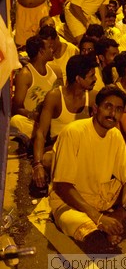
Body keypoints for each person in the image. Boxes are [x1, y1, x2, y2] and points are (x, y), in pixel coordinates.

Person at [49, 85, 126, 246]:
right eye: (108, 107)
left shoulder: (114, 134)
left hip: (102, 194)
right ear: (95, 109)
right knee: (89, 234)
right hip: (71, 201)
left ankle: (114, 220)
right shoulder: (73, 132)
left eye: (118, 109)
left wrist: (121, 212)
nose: (112, 114)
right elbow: (62, 185)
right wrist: (98, 217)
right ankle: (104, 225)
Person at [32, 55, 98, 189]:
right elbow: (41, 132)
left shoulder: (92, 97)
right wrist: (37, 164)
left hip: (85, 151)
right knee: (47, 160)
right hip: (59, 151)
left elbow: (120, 105)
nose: (95, 79)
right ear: (79, 79)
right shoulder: (55, 96)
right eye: (91, 76)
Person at [10, 35, 62, 139]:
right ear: (41, 51)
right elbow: (17, 107)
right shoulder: (26, 75)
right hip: (35, 122)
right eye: (49, 47)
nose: (52, 50)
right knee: (16, 120)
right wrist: (33, 115)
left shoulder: (55, 70)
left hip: (55, 119)